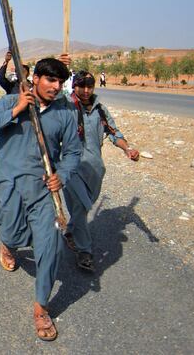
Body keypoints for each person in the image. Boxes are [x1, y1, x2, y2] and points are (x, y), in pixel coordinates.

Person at [0, 57, 82, 341]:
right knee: (11, 233)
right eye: (51, 80)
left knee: (51, 245)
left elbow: (73, 153)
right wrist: (17, 109)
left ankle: (41, 307)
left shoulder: (65, 113)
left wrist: (61, 174)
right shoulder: (11, 101)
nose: (56, 86)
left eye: (60, 82)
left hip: (43, 191)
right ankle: (8, 245)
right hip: (11, 186)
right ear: (35, 78)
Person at [64, 70, 139, 272]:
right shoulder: (65, 106)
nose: (86, 91)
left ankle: (71, 231)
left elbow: (115, 133)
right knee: (80, 206)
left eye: (90, 86)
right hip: (70, 168)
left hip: (95, 169)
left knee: (82, 207)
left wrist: (127, 149)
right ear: (74, 86)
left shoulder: (100, 110)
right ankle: (84, 251)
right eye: (82, 86)